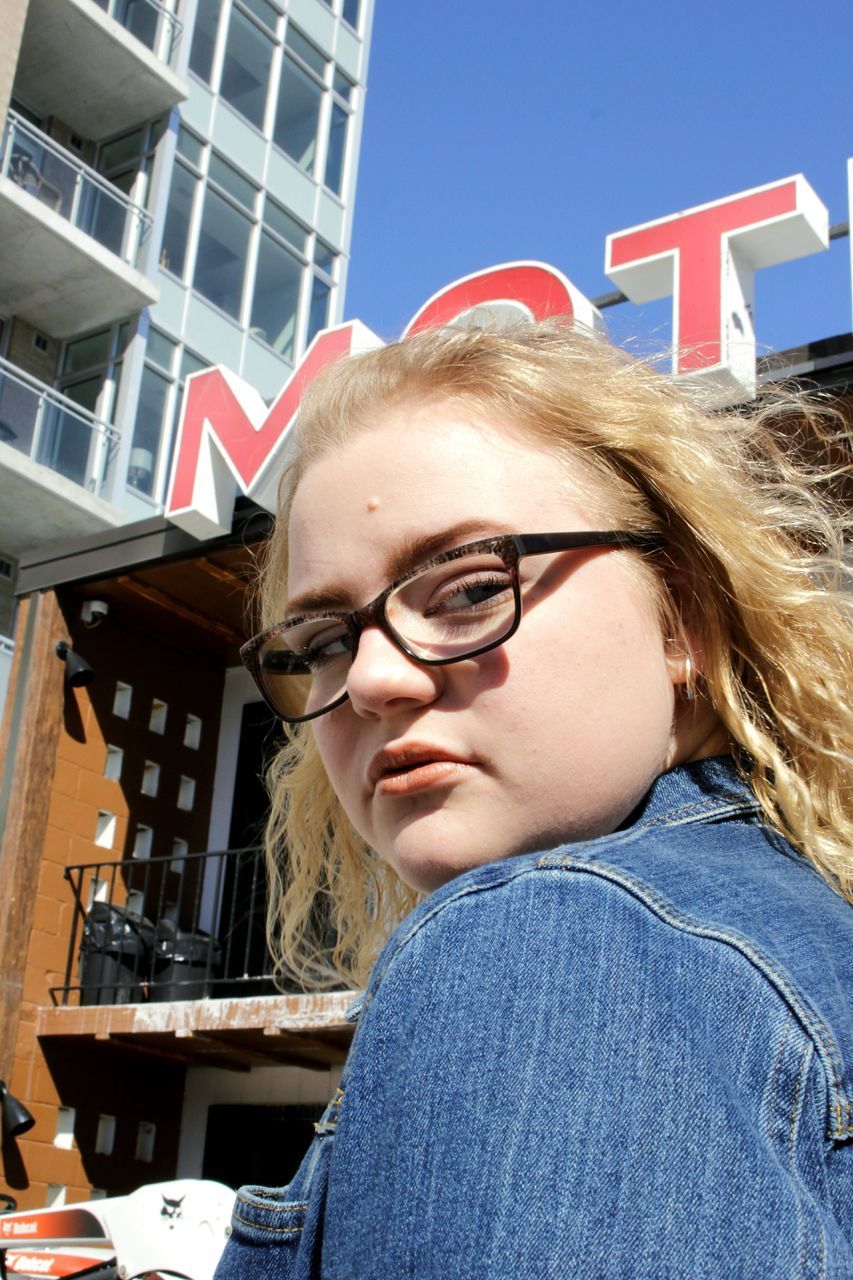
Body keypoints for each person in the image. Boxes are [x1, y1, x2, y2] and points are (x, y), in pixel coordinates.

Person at [216, 321, 853, 1278]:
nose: (376, 680)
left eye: (468, 589)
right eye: (321, 645)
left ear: (681, 619)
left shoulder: (557, 934)